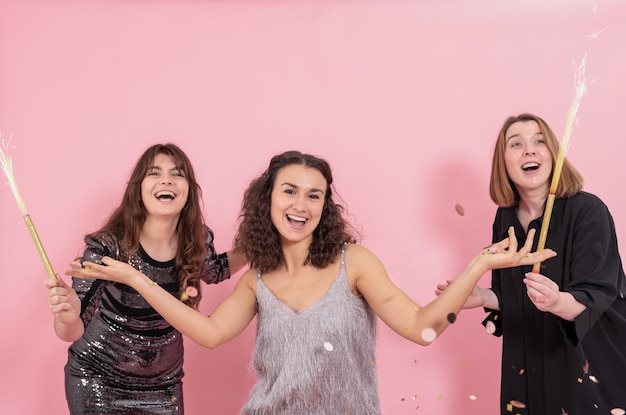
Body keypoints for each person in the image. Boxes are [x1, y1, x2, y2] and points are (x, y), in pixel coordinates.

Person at [66, 150, 555, 415]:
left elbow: (421, 329)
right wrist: (135, 277)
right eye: (290, 191)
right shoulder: (256, 276)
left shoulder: (355, 263)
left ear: (325, 208)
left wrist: (477, 266)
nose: (301, 205)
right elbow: (209, 334)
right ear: (269, 200)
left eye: (314, 196)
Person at [437, 113, 626, 415]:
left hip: (589, 361)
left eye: (539, 141)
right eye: (516, 144)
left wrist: (556, 300)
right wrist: (482, 297)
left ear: (553, 154)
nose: (529, 150)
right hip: (529, 359)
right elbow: (513, 294)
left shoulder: (588, 210)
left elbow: (597, 294)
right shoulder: (505, 218)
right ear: (504, 162)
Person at [45, 143, 246, 415]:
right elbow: (71, 331)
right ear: (138, 189)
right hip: (99, 381)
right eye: (155, 173)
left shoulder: (196, 238)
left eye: (177, 174)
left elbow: (215, 270)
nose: (166, 180)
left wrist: (261, 246)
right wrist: (67, 316)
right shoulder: (109, 247)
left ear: (189, 189)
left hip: (164, 386)